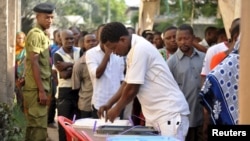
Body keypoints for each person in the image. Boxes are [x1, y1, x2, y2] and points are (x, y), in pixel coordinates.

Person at [98, 22, 190, 141]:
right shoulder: (133, 49)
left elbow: (132, 88)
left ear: (122, 40)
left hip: (170, 114)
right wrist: (109, 103)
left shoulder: (140, 48)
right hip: (155, 116)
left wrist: (116, 109)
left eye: (114, 48)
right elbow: (127, 83)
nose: (114, 53)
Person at [22, 2, 55, 141]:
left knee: (34, 128)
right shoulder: (35, 34)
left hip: (40, 87)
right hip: (36, 89)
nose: (50, 21)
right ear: (38, 17)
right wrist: (41, 90)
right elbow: (34, 62)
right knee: (38, 130)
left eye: (52, 17)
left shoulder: (42, 34)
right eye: (46, 17)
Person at [167, 24, 205, 141]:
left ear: (193, 38)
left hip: (203, 114)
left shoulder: (204, 58)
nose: (183, 42)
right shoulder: (171, 62)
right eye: (179, 39)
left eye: (186, 38)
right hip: (184, 116)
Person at [85, 24, 125, 118]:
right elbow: (97, 74)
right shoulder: (91, 53)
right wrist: (107, 54)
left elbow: (121, 79)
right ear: (98, 36)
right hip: (100, 103)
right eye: (102, 34)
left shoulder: (119, 51)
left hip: (117, 103)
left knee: (117, 131)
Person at [53, 29, 81, 141]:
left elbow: (84, 69)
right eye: (67, 39)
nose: (70, 41)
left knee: (78, 123)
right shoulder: (57, 54)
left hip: (79, 90)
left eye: (71, 38)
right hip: (65, 91)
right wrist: (77, 66)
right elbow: (64, 75)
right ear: (60, 39)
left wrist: (68, 65)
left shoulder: (80, 51)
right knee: (64, 123)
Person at [71, 34, 97, 118]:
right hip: (86, 103)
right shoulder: (79, 64)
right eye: (88, 41)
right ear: (84, 44)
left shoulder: (105, 59)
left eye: (93, 41)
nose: (91, 43)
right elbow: (76, 86)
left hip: (102, 103)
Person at [48, 29, 61, 128]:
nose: (60, 38)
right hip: (55, 77)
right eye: (58, 36)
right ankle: (50, 120)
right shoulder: (54, 49)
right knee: (53, 98)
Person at [15, 31, 26, 110]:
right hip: (14, 73)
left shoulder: (25, 49)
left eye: (21, 38)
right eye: (17, 38)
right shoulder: (14, 49)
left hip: (23, 74)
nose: (19, 40)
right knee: (17, 92)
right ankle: (19, 109)